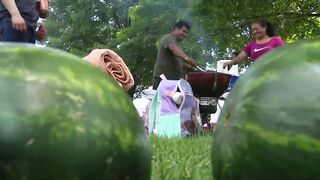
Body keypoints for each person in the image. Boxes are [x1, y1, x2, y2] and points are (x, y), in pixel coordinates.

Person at [152, 20, 197, 90]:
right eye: (183, 31)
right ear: (176, 28)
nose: (185, 34)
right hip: (162, 80)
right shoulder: (168, 38)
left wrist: (188, 66)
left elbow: (179, 61)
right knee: (160, 100)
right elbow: (174, 49)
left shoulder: (178, 45)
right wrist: (188, 59)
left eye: (186, 33)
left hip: (173, 82)